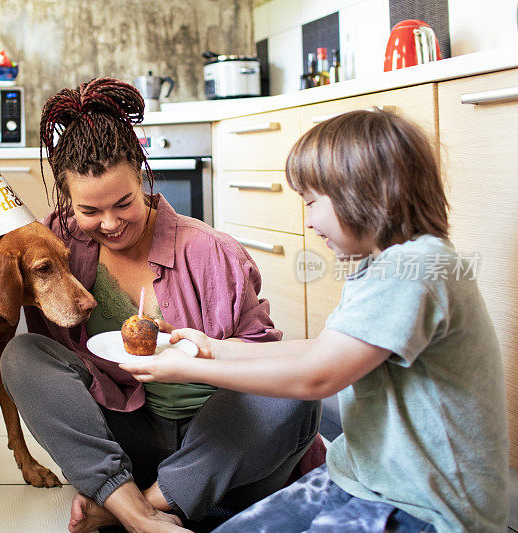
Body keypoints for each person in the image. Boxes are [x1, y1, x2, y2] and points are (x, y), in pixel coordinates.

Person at [0, 78, 324, 533]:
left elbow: (264, 363)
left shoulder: (209, 252)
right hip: (128, 441)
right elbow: (3, 250)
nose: (109, 224)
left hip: (220, 449)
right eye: (90, 211)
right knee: (22, 356)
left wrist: (195, 364)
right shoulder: (60, 241)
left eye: (123, 202)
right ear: (67, 202)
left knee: (297, 394)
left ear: (142, 173)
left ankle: (139, 507)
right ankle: (130, 502)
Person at [121, 109, 509, 532]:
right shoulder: (384, 266)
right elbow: (325, 347)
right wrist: (216, 348)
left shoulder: (414, 269)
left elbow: (317, 377)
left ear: (362, 194)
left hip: (423, 506)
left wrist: (187, 368)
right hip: (362, 479)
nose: (307, 220)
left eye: (310, 201)